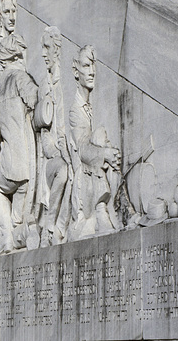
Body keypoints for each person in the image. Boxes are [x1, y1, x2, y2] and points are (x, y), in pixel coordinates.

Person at [0, 33, 39, 254]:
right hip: (25, 165)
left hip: (8, 162)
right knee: (21, 213)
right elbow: (34, 99)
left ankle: (7, 235)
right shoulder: (20, 78)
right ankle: (16, 234)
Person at [67, 45, 122, 241]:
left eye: (93, 66)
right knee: (98, 137)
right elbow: (82, 149)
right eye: (86, 65)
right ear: (76, 71)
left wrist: (109, 153)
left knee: (104, 142)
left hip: (97, 172)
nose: (91, 72)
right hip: (84, 186)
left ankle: (119, 205)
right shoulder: (75, 110)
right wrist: (104, 154)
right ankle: (100, 209)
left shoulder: (92, 104)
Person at [36, 26, 70, 247]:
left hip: (69, 150)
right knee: (65, 170)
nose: (42, 54)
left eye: (47, 48)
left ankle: (63, 226)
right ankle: (51, 223)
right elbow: (45, 137)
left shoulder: (64, 82)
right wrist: (60, 150)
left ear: (57, 50)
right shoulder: (44, 87)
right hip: (51, 161)